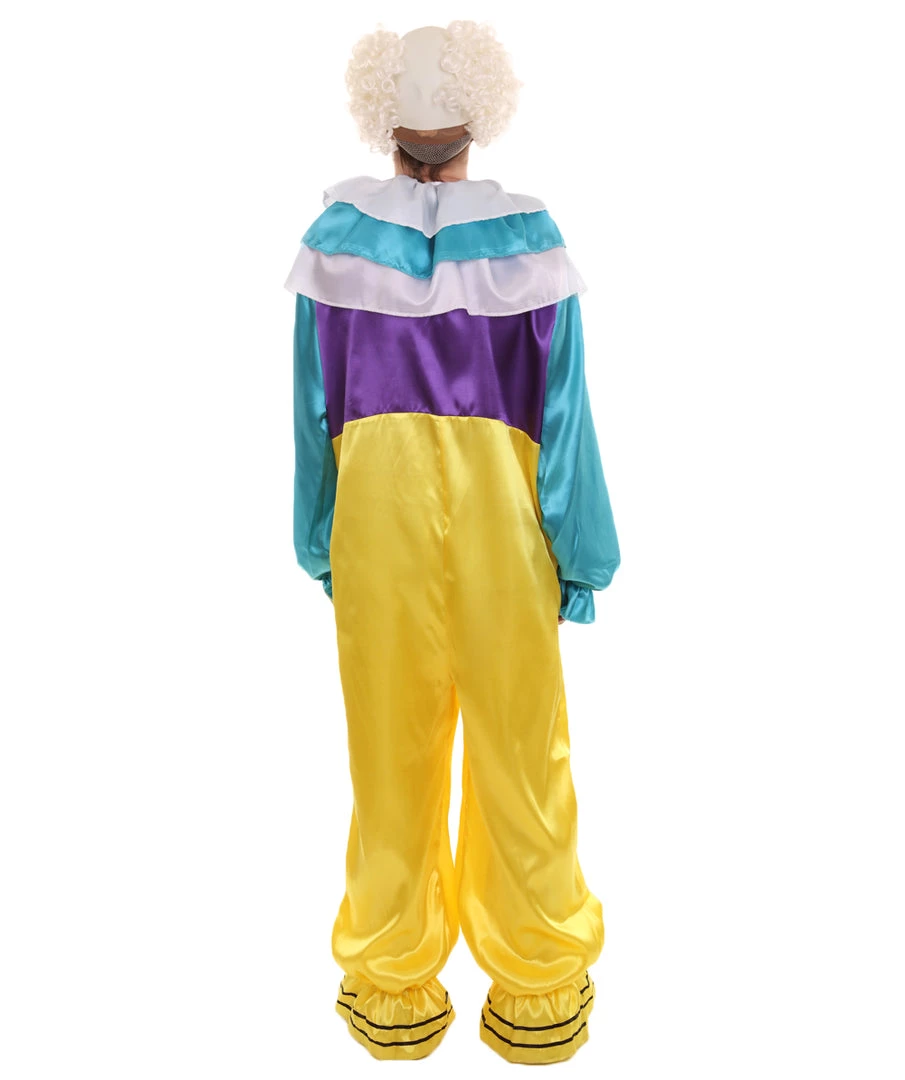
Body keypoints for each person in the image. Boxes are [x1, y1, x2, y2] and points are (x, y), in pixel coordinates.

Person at [284, 20, 621, 1064]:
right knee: (523, 764)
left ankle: (391, 988)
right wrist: (581, 556)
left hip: (376, 533)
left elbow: (312, 417)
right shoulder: (530, 245)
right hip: (502, 539)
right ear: (478, 119)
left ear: (382, 122)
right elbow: (563, 424)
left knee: (388, 762)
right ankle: (537, 989)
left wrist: (322, 542)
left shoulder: (335, 246)